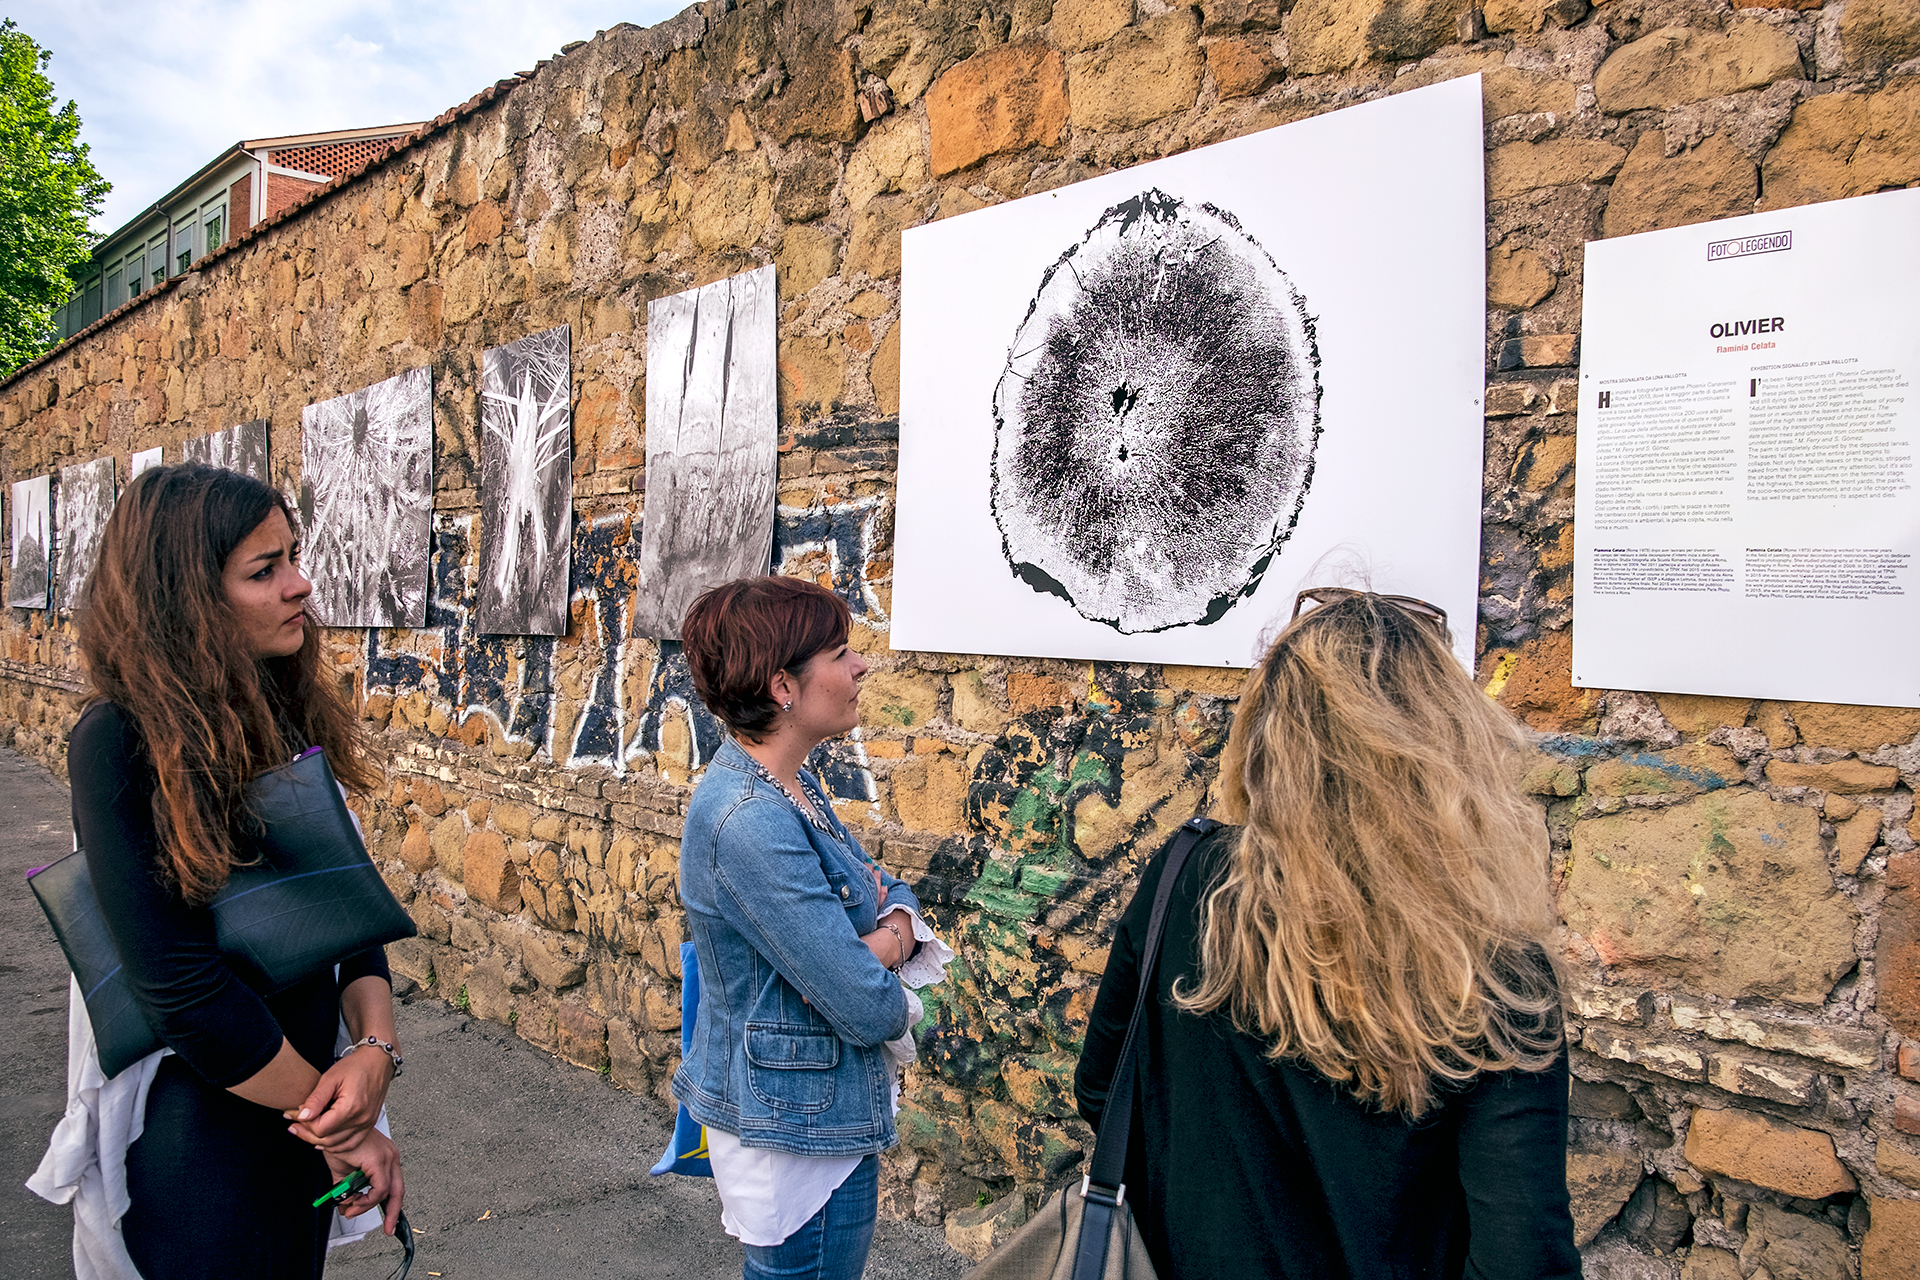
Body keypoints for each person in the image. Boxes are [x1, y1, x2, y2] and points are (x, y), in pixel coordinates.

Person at [1075, 587, 1581, 1280]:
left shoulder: (1189, 877)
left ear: (1267, 731)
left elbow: (1103, 1091)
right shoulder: (1492, 972)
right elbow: (1523, 1258)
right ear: (1448, 744)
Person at [65, 463, 405, 1278]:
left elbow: (344, 916)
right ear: (186, 596)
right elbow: (182, 989)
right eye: (266, 570)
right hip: (206, 1135)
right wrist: (342, 1125)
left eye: (292, 556)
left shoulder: (276, 709)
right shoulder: (118, 740)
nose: (301, 584)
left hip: (300, 1114)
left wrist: (376, 1050)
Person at [676, 575, 936, 1280]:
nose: (860, 667)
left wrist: (884, 932)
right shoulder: (750, 820)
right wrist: (891, 941)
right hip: (798, 1136)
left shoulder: (793, 785)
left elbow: (887, 889)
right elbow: (867, 1004)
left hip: (813, 1114)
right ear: (783, 687)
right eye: (840, 653)